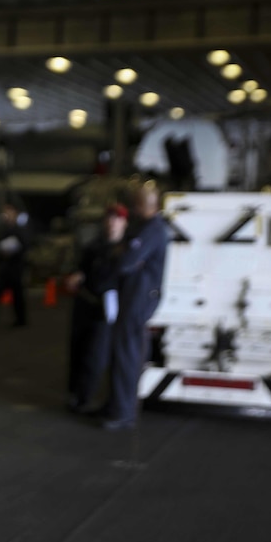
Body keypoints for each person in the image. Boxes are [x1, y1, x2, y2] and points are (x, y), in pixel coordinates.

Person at [100, 179, 169, 430]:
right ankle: (116, 405)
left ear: (142, 205)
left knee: (127, 356)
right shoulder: (148, 228)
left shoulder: (152, 229)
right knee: (122, 353)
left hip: (138, 300)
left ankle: (123, 413)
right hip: (134, 298)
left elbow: (126, 261)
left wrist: (125, 252)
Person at [64, 203, 128, 414]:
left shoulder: (126, 251)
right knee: (78, 348)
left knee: (96, 353)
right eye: (109, 218)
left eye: (116, 219)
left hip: (106, 308)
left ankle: (85, 397)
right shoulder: (94, 246)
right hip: (85, 302)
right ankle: (74, 392)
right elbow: (82, 267)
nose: (112, 223)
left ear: (124, 223)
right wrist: (77, 275)